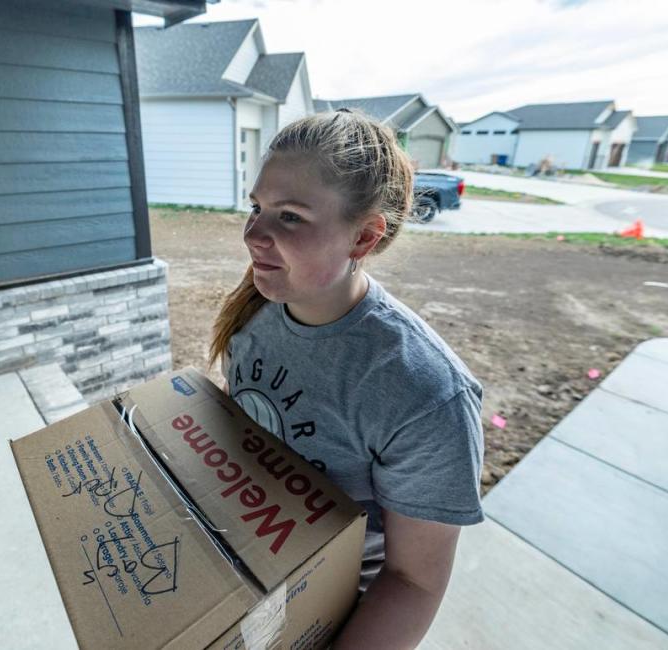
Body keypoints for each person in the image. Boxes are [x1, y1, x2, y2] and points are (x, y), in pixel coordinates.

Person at [207, 108, 485, 649]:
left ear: (363, 238)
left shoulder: (424, 393)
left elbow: (413, 581)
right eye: (256, 207)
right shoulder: (259, 309)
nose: (252, 234)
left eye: (289, 216)